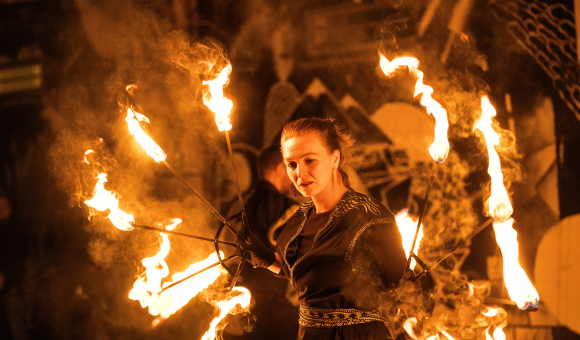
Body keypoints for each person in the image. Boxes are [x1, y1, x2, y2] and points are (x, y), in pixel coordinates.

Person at [240, 117, 408, 340]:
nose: (299, 173)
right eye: (292, 164)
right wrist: (267, 260)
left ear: (334, 158)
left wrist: (410, 296)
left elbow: (405, 286)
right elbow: (313, 278)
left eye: (310, 160)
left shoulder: (369, 219)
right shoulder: (298, 221)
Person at [224, 147, 300, 340]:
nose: (293, 176)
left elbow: (225, 247)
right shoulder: (289, 210)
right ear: (279, 169)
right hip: (271, 306)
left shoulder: (237, 205)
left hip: (234, 302)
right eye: (290, 167)